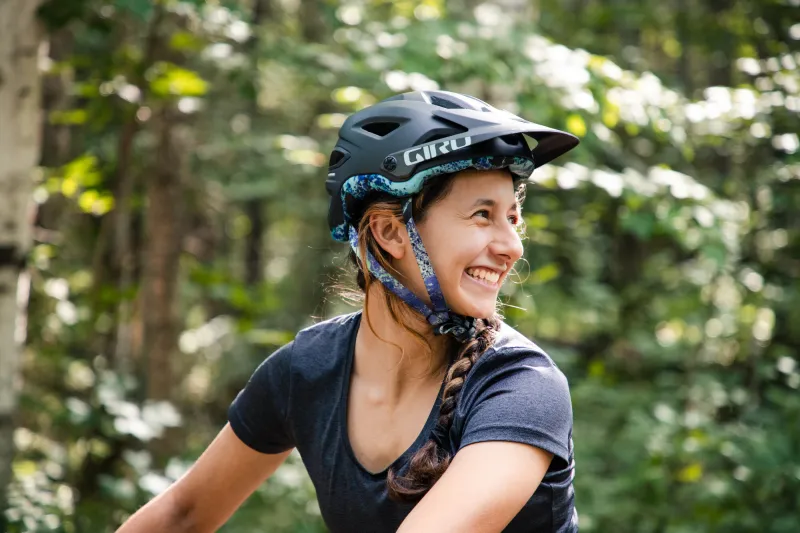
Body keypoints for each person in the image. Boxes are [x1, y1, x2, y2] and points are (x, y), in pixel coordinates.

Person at [117, 90, 580, 533]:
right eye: (483, 214)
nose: (512, 246)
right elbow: (182, 515)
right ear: (389, 233)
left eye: (512, 218)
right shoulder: (309, 369)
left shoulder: (523, 388)